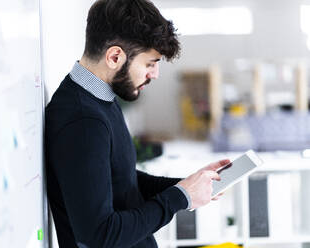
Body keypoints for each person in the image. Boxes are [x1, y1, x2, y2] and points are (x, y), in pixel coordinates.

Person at [45, 0, 230, 247]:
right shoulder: (84, 120)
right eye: (149, 64)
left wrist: (188, 185)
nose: (154, 74)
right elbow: (101, 234)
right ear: (114, 57)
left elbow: (121, 180)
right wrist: (180, 197)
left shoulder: (101, 98)